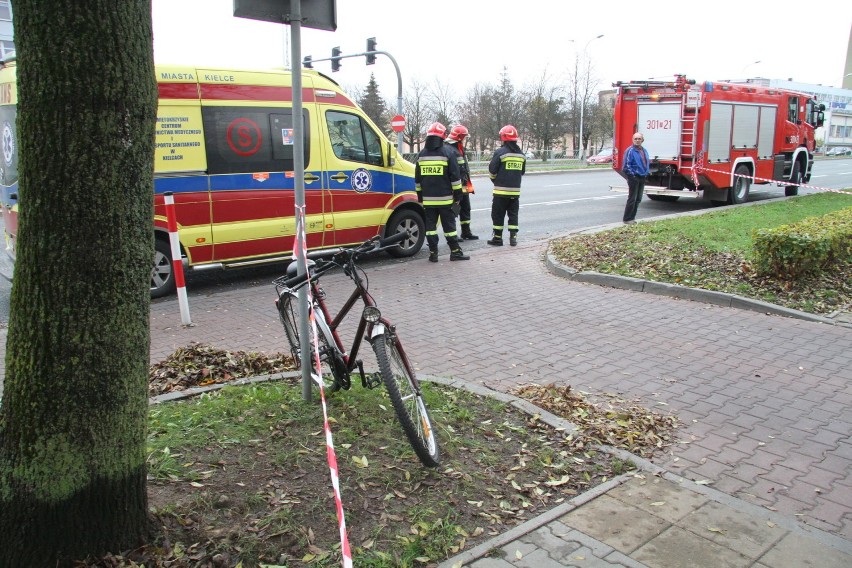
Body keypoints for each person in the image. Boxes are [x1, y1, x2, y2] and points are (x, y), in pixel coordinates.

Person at [414, 122, 470, 262]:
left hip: (428, 200)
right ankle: (455, 252)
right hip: (445, 199)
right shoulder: (448, 153)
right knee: (449, 227)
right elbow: (455, 177)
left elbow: (418, 179)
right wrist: (458, 195)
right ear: (442, 136)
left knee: (430, 228)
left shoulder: (421, 155)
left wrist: (420, 196)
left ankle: (433, 253)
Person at [487, 124, 526, 247]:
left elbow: (492, 171)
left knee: (498, 214)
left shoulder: (500, 152)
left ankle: (497, 238)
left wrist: (496, 181)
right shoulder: (521, 155)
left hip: (500, 192)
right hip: (515, 192)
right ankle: (513, 238)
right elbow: (522, 172)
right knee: (513, 214)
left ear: (503, 137)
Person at [444, 124, 478, 240]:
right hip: (455, 186)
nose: (465, 140)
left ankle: (466, 231)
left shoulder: (458, 148)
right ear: (460, 137)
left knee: (465, 208)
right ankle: (453, 234)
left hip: (463, 185)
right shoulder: (451, 149)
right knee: (454, 209)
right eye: (464, 137)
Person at [622, 132, 650, 224]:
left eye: (639, 139)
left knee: (638, 199)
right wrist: (633, 176)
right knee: (632, 199)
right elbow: (626, 166)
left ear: (642, 140)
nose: (637, 140)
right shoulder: (630, 151)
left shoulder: (644, 150)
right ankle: (627, 219)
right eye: (635, 139)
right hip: (634, 177)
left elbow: (645, 163)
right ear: (633, 140)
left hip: (642, 177)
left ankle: (632, 218)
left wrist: (646, 173)